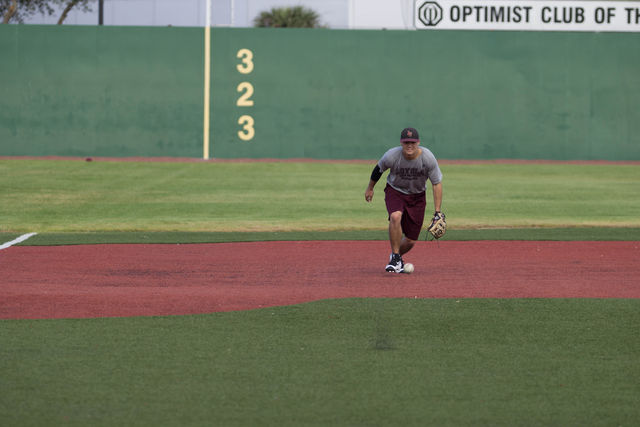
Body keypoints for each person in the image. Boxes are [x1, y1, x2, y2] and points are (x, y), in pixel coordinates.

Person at [364, 127, 443, 273]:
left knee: (411, 240)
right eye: (406, 142)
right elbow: (378, 169)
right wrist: (370, 188)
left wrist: (438, 211)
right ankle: (395, 257)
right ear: (401, 143)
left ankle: (397, 257)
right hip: (396, 191)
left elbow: (436, 183)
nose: (409, 145)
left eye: (412, 142)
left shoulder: (427, 158)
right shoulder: (392, 156)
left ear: (418, 142)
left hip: (418, 196)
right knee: (395, 216)